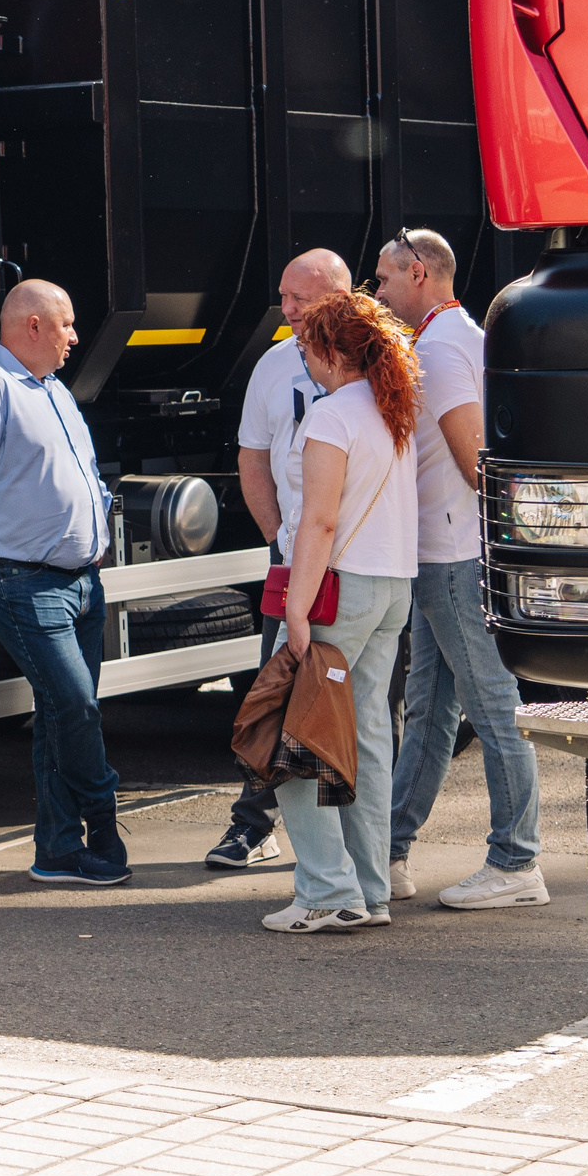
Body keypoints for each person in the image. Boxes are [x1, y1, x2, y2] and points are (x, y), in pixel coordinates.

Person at [0, 281, 127, 887]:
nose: (74, 338)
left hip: (79, 584)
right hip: (21, 582)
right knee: (76, 706)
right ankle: (103, 821)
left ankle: (58, 851)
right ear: (33, 326)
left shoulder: (55, 392)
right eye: (66, 326)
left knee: (59, 719)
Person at [375, 228, 546, 911]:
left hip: (450, 556)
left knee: (490, 703)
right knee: (432, 710)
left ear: (419, 273)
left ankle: (517, 860)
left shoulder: (441, 349)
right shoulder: (460, 337)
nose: (379, 292)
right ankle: (389, 848)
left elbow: (473, 457)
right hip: (445, 553)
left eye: (385, 279)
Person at [263, 290, 418, 934]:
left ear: (331, 351)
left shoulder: (330, 417)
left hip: (337, 590)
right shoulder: (392, 410)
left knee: (292, 736)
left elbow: (319, 521)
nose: (301, 355)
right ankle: (370, 888)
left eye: (305, 345)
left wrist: (296, 609)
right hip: (391, 586)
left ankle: (328, 890)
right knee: (367, 738)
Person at [205, 248, 353, 871]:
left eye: (298, 299)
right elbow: (253, 456)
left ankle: (367, 846)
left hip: (362, 561)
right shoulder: (273, 365)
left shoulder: (381, 359)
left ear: (337, 299)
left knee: (362, 706)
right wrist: (278, 541)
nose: (285, 309)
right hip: (296, 557)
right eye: (284, 296)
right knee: (278, 690)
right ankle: (253, 825)